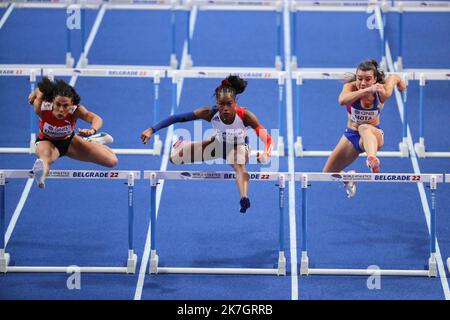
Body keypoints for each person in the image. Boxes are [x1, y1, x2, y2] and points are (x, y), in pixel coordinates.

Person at [140, 75, 273, 213]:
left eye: (229, 104)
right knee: (174, 159)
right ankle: (183, 144)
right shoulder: (209, 113)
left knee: (239, 163)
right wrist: (152, 129)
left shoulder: (246, 116)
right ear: (217, 102)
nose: (226, 108)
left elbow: (268, 140)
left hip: (238, 147)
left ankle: (244, 197)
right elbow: (177, 118)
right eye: (222, 104)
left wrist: (266, 153)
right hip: (218, 146)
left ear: (235, 102)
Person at [323, 59, 406, 198]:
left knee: (364, 128)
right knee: (327, 173)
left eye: (367, 79)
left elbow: (394, 78)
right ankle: (348, 178)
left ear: (375, 80)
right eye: (359, 78)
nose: (362, 83)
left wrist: (401, 84)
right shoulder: (350, 87)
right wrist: (366, 90)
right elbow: (341, 101)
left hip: (374, 135)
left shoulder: (382, 92)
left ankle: (372, 159)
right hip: (352, 136)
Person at [28, 77, 117, 188]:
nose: (61, 109)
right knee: (45, 158)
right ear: (52, 101)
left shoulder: (76, 110)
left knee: (112, 161)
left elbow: (96, 118)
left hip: (70, 142)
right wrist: (36, 92)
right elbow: (41, 89)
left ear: (71, 104)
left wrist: (92, 130)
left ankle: (91, 140)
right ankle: (40, 176)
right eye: (58, 104)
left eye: (65, 106)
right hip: (46, 141)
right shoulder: (41, 107)